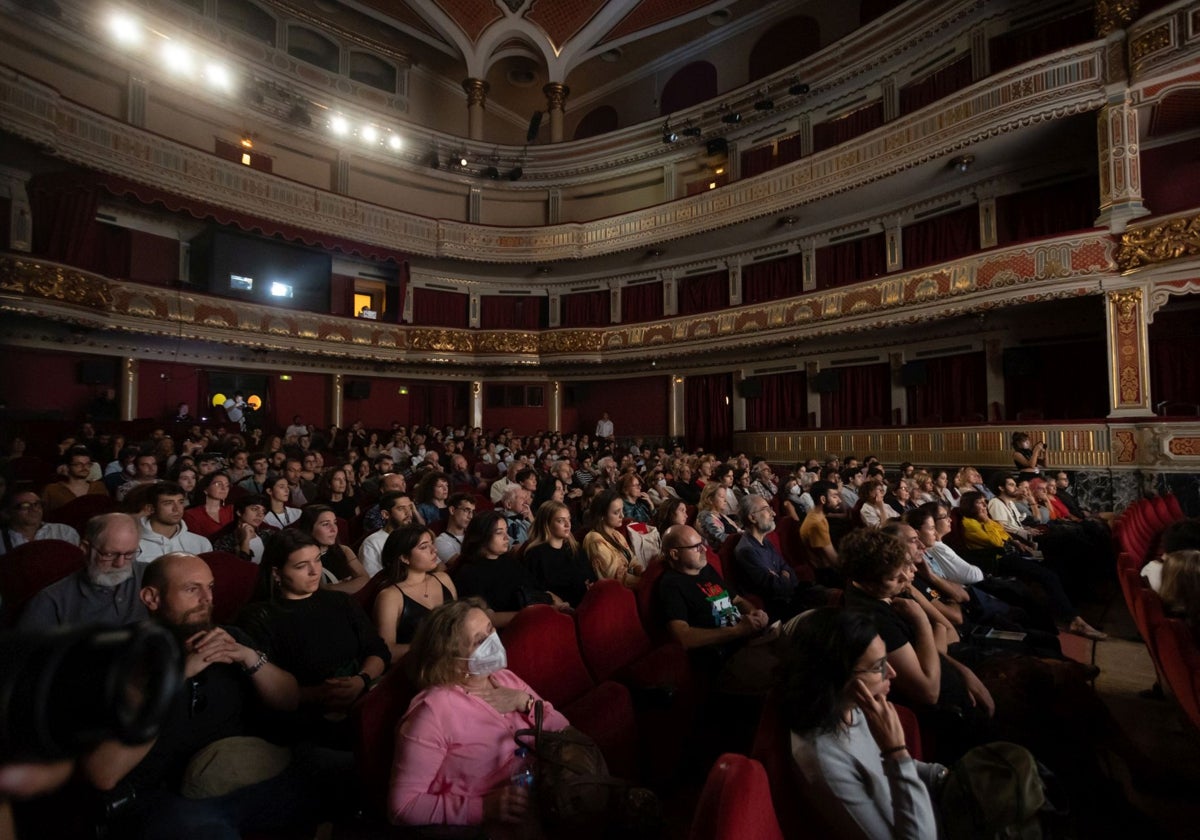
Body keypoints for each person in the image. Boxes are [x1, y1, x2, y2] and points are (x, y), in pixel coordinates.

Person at [80, 552, 352, 840]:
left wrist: (249, 658)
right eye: (191, 589)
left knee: (350, 771)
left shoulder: (229, 637)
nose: (206, 598)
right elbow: (103, 773)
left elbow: (290, 699)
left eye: (209, 587)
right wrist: (177, 675)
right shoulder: (121, 659)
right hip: (171, 795)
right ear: (151, 598)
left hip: (245, 770)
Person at [389, 599, 569, 829]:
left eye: (491, 629)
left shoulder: (503, 678)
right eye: (480, 641)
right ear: (453, 663)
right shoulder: (432, 713)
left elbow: (563, 730)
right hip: (497, 826)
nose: (493, 641)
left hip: (548, 793)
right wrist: (482, 808)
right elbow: (402, 807)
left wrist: (526, 703)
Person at [784, 608, 944, 839]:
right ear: (838, 676)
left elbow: (886, 771)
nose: (892, 672)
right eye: (878, 666)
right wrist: (896, 753)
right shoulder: (825, 762)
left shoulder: (852, 709)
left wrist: (942, 777)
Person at [238, 530, 389, 743]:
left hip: (361, 699)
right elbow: (260, 687)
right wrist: (322, 694)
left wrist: (361, 680)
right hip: (299, 722)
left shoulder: (341, 602)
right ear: (276, 573)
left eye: (317, 561)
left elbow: (377, 650)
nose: (314, 571)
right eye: (301, 566)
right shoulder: (258, 617)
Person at [958, 491, 1104, 640]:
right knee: (1048, 576)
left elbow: (1004, 535)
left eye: (984, 502)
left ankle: (1071, 611)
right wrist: (988, 522)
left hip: (1012, 553)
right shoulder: (969, 523)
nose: (984, 505)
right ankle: (1074, 620)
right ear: (970, 505)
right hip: (998, 560)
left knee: (1059, 563)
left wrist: (1015, 541)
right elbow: (996, 542)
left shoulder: (984, 520)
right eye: (980, 503)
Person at [658, 523, 774, 692]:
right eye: (696, 547)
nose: (704, 550)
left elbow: (738, 600)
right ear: (675, 554)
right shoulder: (671, 586)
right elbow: (682, 637)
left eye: (702, 544)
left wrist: (753, 613)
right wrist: (737, 630)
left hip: (748, 639)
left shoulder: (706, 570)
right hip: (725, 657)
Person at [19, 513, 147, 630]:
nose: (120, 563)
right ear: (85, 548)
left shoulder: (152, 575)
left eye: (129, 554)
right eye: (109, 554)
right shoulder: (51, 600)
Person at [452, 511, 564, 628]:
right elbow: (488, 618)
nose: (507, 537)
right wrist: (535, 614)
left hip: (531, 620)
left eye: (506, 531)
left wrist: (555, 601)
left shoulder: (509, 560)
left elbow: (534, 588)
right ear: (482, 536)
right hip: (507, 632)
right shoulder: (469, 573)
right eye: (499, 533)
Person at [373, 524, 458, 662]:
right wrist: (434, 648)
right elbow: (387, 651)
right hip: (418, 665)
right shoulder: (390, 596)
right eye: (424, 547)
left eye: (432, 544)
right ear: (404, 558)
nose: (434, 550)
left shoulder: (443, 578)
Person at [733, 493, 817, 622]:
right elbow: (775, 589)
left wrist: (782, 576)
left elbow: (787, 568)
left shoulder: (765, 541)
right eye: (766, 509)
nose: (773, 514)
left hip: (792, 596)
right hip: (779, 610)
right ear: (752, 517)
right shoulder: (746, 550)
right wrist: (784, 576)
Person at [522, 500, 595, 607]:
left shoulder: (574, 548)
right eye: (560, 520)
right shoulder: (535, 554)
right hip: (559, 610)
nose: (567, 524)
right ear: (546, 523)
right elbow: (536, 592)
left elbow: (590, 576)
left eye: (568, 519)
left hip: (586, 603)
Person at [298, 505, 370, 594]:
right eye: (325, 524)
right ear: (309, 529)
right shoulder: (301, 558)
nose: (334, 529)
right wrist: (348, 585)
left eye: (335, 523)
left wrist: (331, 587)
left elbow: (364, 579)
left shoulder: (344, 550)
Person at [137, 482, 212, 563]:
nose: (177, 509)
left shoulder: (201, 543)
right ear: (150, 508)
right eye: (168, 503)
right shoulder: (133, 543)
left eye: (181, 502)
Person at [582, 490, 642, 588]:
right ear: (601, 515)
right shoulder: (594, 540)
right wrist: (644, 582)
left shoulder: (616, 533)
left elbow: (632, 559)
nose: (622, 516)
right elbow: (614, 577)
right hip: (615, 592)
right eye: (616, 512)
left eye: (622, 510)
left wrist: (640, 570)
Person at [1, 491, 79, 556]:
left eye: (37, 504)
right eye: (25, 506)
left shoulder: (64, 532)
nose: (34, 509)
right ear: (7, 513)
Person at [359, 491, 418, 578]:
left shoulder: (419, 536)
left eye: (410, 508)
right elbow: (374, 580)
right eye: (401, 509)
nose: (408, 513)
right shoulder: (372, 543)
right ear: (386, 514)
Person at [42, 446, 109, 513]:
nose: (84, 467)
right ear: (68, 467)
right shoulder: (52, 490)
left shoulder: (99, 487)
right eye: (78, 464)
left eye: (88, 464)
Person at [210, 493, 271, 564]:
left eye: (263, 511)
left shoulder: (267, 536)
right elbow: (240, 569)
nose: (260, 514)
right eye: (254, 509)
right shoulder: (224, 541)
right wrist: (245, 541)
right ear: (239, 512)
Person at [182, 471, 234, 539]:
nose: (224, 488)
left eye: (227, 485)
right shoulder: (191, 514)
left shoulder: (232, 510)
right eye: (218, 484)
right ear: (206, 489)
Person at [694, 481, 742, 550]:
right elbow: (720, 538)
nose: (725, 500)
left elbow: (738, 530)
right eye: (722, 497)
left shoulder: (720, 514)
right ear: (710, 499)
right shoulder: (704, 516)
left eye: (725, 497)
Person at [434, 493, 474, 566]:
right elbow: (463, 565)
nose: (470, 516)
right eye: (466, 510)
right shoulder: (441, 541)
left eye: (472, 512)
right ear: (452, 510)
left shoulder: (474, 534)